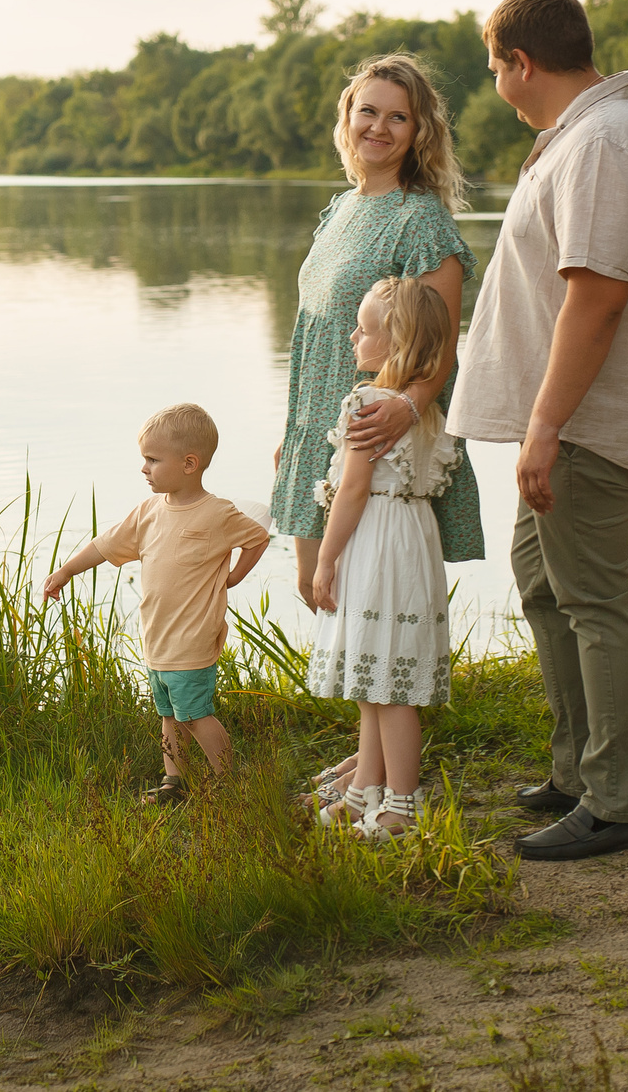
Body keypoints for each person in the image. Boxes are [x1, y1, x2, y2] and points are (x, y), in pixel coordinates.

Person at [446, 0, 628, 863]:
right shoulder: (583, 136)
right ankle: (577, 772)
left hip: (582, 421)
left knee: (592, 598)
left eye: (493, 64)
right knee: (542, 583)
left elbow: (598, 295)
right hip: (560, 420)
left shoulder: (606, 143)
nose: (495, 79)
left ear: (521, 63)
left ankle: (616, 804)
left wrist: (546, 427)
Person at [268, 53, 486, 814]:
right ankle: (367, 765)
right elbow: (317, 330)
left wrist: (409, 401)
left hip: (375, 431)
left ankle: (387, 781)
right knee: (329, 595)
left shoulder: (419, 218)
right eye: (368, 111)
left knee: (362, 597)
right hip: (322, 426)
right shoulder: (339, 210)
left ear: (419, 130)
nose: (380, 127)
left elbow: (440, 341)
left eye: (398, 116)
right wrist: (294, 432)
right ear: (347, 116)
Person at [44, 403, 271, 803]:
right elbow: (104, 545)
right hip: (158, 637)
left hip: (192, 639)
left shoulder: (217, 513)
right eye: (143, 459)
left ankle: (227, 782)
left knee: (196, 714)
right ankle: (174, 781)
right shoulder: (148, 512)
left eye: (152, 459)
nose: (144, 468)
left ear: (188, 463)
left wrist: (233, 576)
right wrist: (66, 571)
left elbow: (256, 538)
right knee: (169, 715)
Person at [303, 276, 462, 840]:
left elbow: (351, 491)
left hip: (374, 540)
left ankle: (401, 804)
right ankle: (361, 789)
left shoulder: (368, 403)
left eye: (364, 329)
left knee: (390, 686)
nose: (351, 336)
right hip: (412, 539)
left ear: (394, 345)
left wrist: (325, 560)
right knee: (377, 672)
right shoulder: (423, 408)